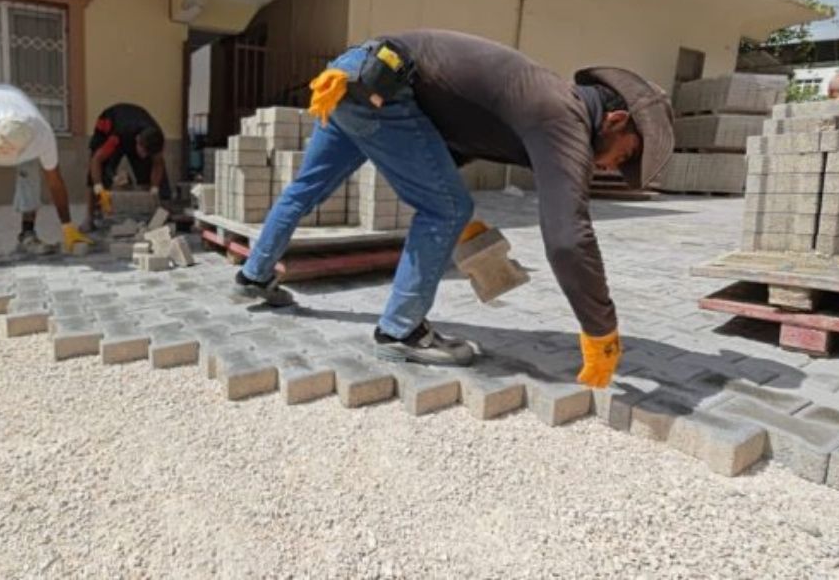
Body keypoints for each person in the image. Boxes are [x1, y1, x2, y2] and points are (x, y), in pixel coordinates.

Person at [233, 30, 673, 389]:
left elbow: (448, 143)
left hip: (355, 75)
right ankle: (401, 331)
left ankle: (253, 275)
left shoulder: (544, 97)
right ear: (614, 122)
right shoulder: (562, 118)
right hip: (383, 87)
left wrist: (465, 231)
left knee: (307, 189)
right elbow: (566, 238)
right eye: (626, 153)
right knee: (446, 209)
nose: (616, 167)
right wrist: (601, 332)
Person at [0, 84, 91, 269]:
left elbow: (55, 182)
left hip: (18, 113)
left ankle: (28, 234)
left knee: (30, 172)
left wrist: (68, 227)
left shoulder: (42, 135)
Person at [86, 103, 168, 226]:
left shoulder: (156, 137)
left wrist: (154, 189)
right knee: (98, 173)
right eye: (143, 151)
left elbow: (158, 164)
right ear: (137, 141)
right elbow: (96, 160)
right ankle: (89, 217)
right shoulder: (117, 136)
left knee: (149, 175)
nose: (145, 156)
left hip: (136, 126)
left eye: (148, 154)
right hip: (111, 124)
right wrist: (99, 188)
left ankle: (149, 215)